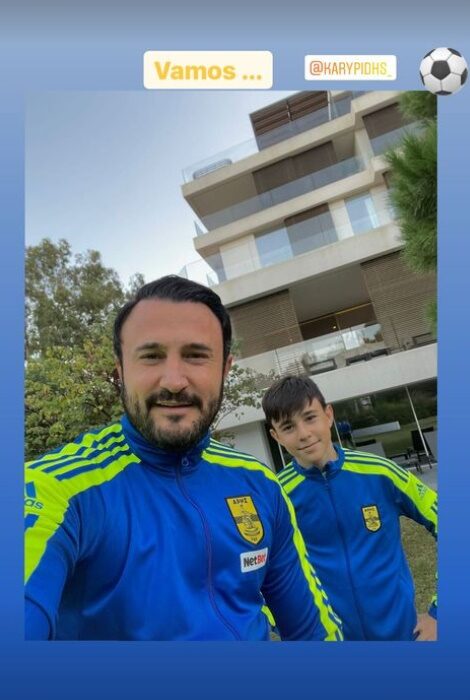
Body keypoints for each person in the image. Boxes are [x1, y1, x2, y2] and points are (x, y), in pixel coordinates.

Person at [25, 276, 342, 641]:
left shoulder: (259, 483)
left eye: (195, 355)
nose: (174, 381)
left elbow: (315, 632)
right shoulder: (56, 489)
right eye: (151, 356)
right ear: (120, 372)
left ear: (225, 369)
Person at [262, 375, 437, 641]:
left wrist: (438, 613)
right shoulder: (276, 496)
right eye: (288, 427)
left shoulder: (380, 473)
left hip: (404, 635)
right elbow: (255, 576)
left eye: (310, 417)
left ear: (328, 415)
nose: (304, 434)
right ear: (276, 436)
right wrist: (294, 629)